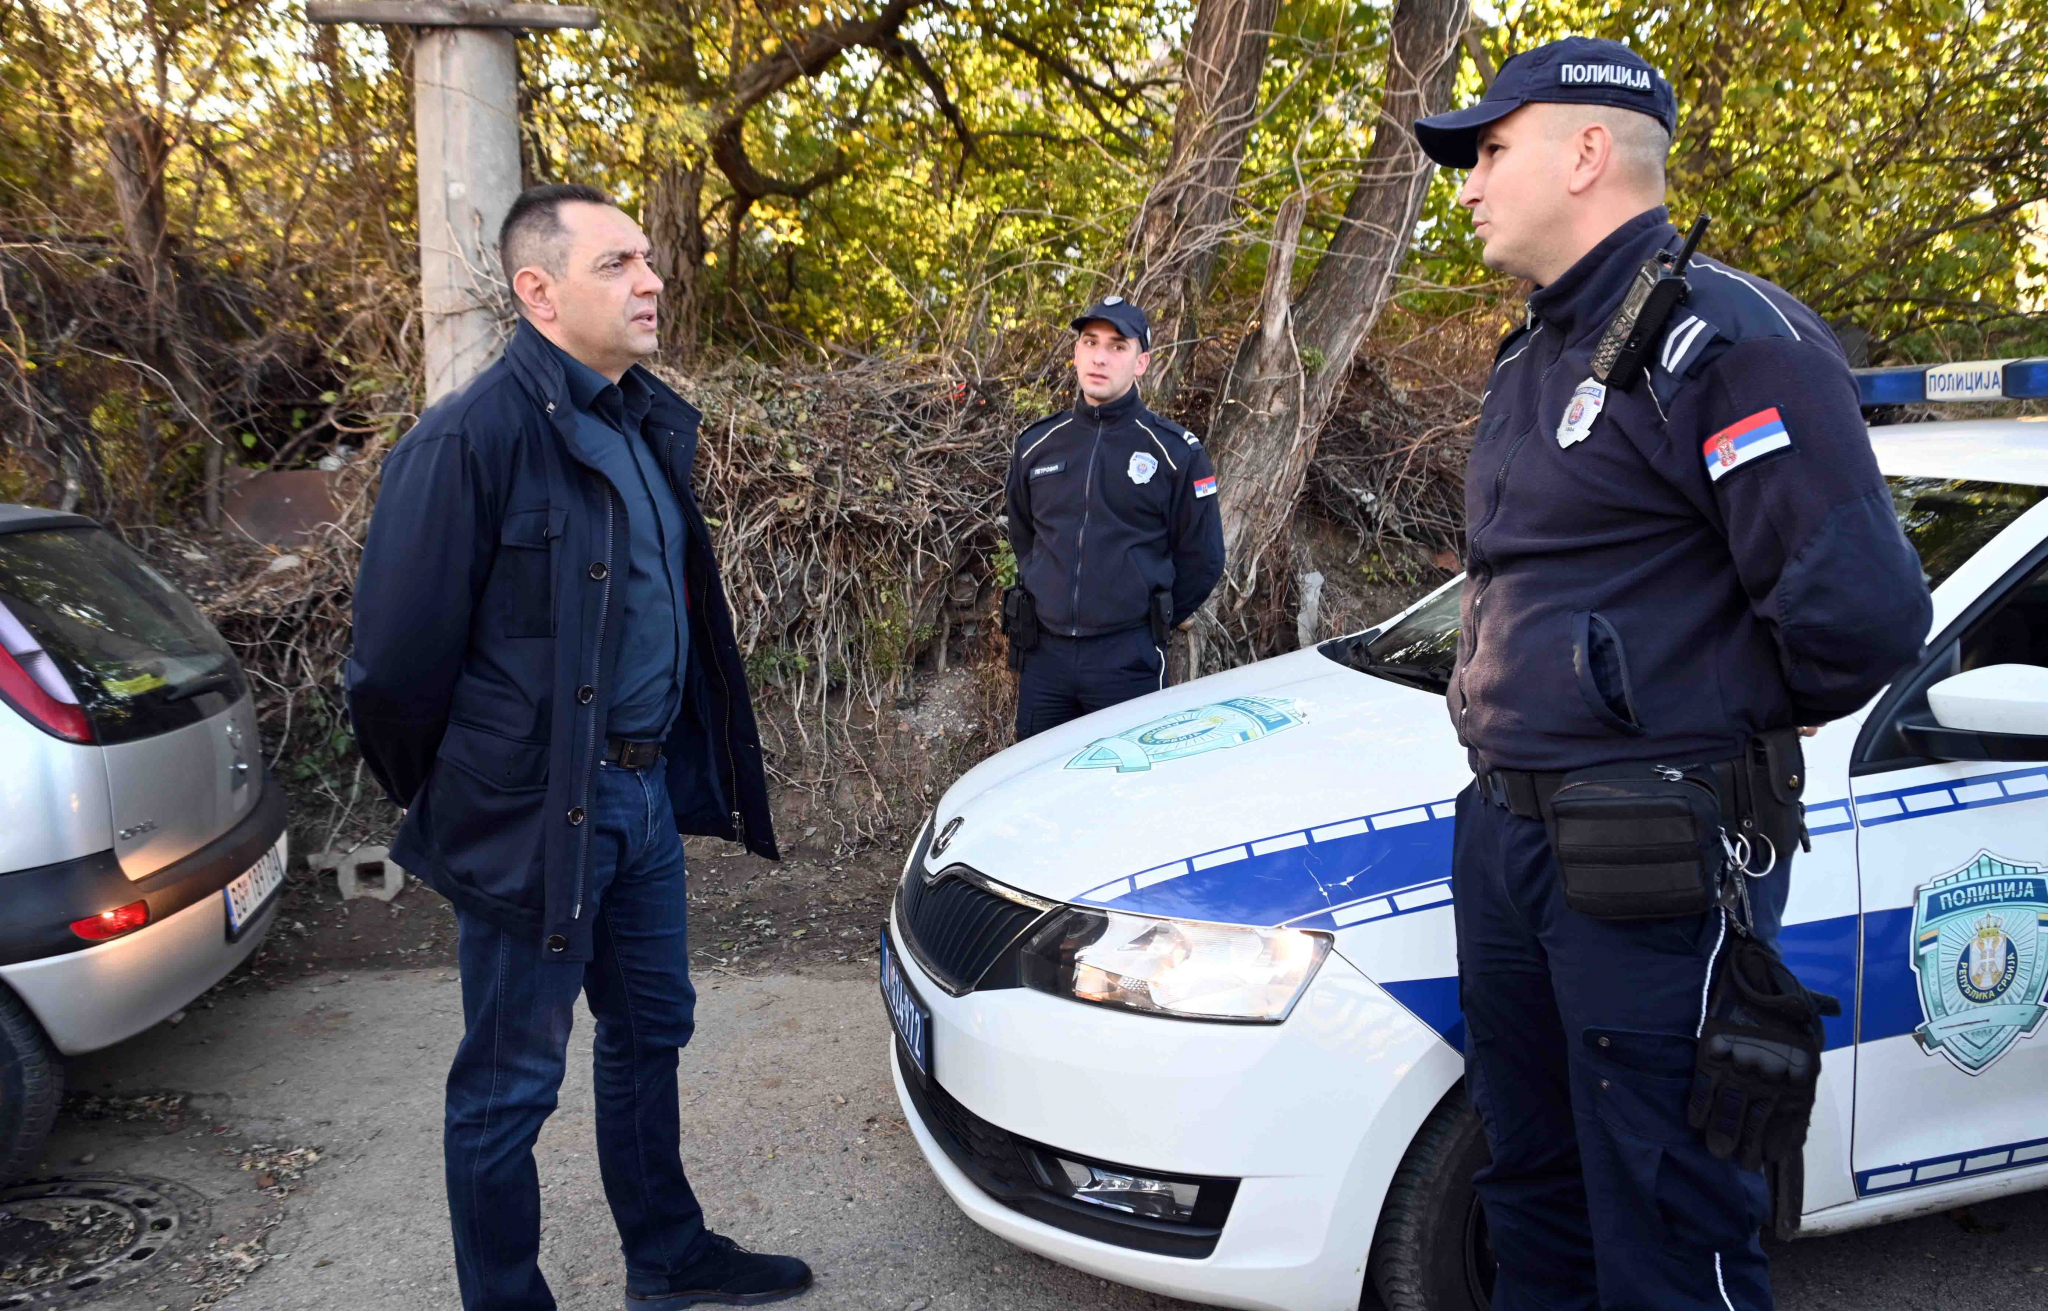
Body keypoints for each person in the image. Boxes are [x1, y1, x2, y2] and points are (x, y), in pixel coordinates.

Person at [1411, 37, 1931, 1309]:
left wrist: (1676, 733)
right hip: (1512, 834)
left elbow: (1859, 619)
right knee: (1528, 1191)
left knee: (1667, 1217)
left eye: (1487, 151)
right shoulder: (1534, 352)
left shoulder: (1727, 342)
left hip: (1647, 856)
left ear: (1587, 151)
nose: (1465, 185)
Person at [346, 184, 810, 1311]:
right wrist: (480, 798)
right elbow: (392, 676)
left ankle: (666, 1255)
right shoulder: (466, 442)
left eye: (646, 259)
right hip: (531, 816)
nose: (649, 280)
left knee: (651, 1029)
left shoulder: (638, 419)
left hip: (639, 805)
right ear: (537, 293)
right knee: (507, 1085)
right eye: (616, 264)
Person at [1002, 298, 1225, 739]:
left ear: (1141, 362)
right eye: (1090, 342)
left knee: (1126, 795)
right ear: (1076, 353)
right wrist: (1048, 590)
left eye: (1117, 346)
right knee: (1034, 792)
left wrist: (1144, 623)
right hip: (1044, 659)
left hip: (1127, 663)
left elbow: (1203, 560)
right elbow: (1023, 534)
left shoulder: (1176, 454)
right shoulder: (1037, 445)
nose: (1100, 357)